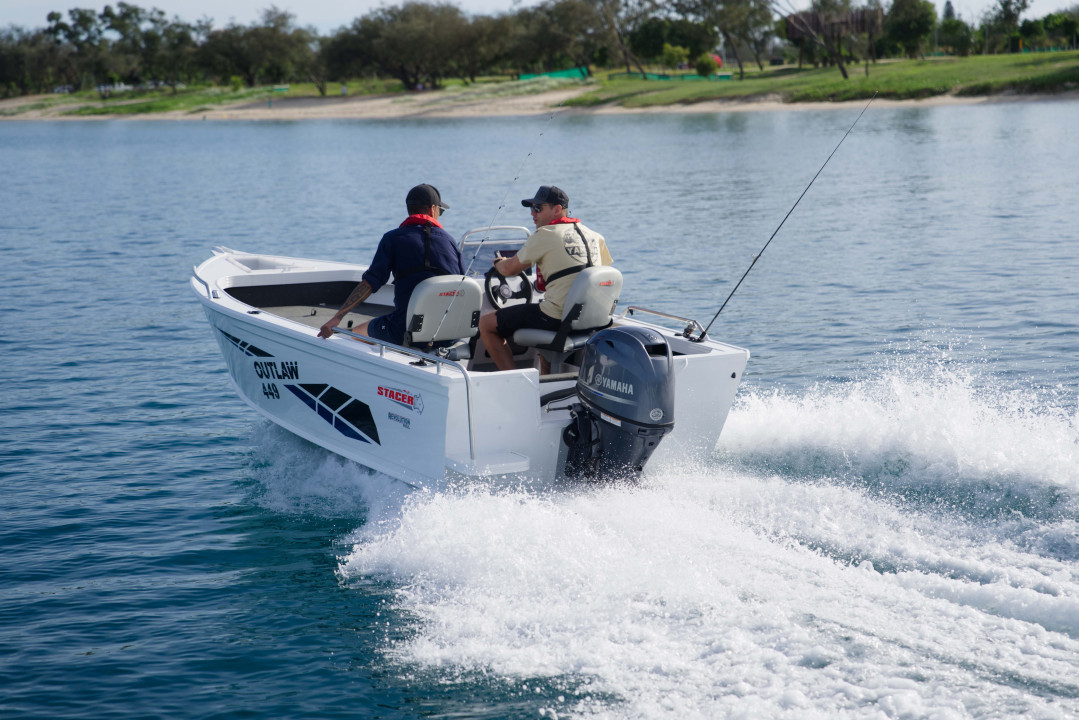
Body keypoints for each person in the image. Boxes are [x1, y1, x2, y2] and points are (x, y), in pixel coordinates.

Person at [478, 185, 612, 372]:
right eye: (532, 208)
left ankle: (514, 381)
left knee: (486, 324)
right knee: (539, 316)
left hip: (558, 317)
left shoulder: (545, 234)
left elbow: (510, 269)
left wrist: (498, 263)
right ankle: (545, 382)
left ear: (557, 209)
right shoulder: (595, 236)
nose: (533, 213)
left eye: (538, 208)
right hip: (592, 319)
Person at [318, 184, 464, 345]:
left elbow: (370, 283)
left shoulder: (392, 239)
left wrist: (337, 318)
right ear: (432, 210)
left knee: (357, 333)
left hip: (404, 331)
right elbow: (462, 284)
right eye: (440, 212)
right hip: (448, 333)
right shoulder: (450, 242)